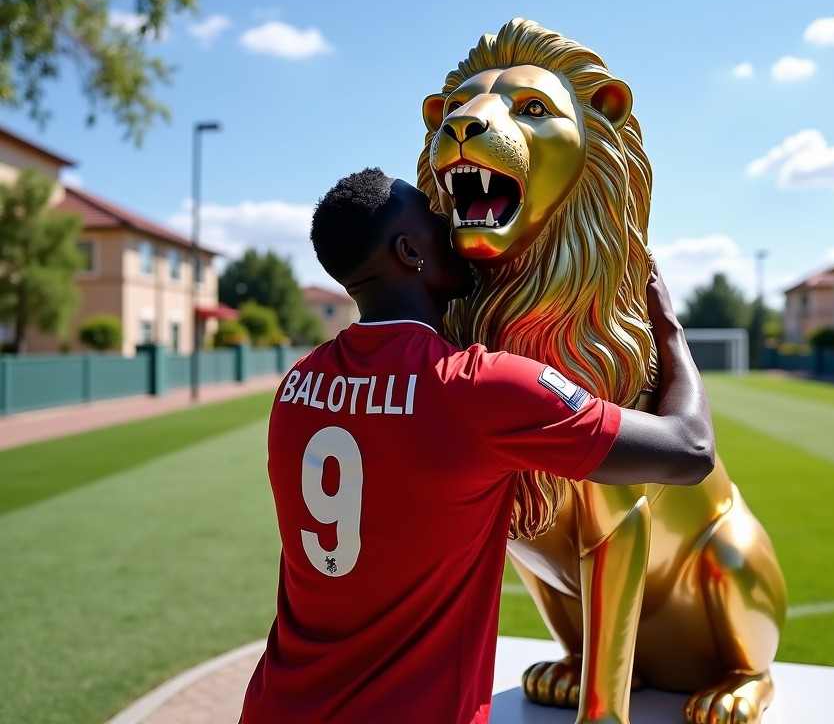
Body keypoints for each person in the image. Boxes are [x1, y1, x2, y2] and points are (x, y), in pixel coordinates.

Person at [238, 168, 715, 724]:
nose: (450, 223)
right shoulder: (476, 388)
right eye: (433, 218)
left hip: (279, 705)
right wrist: (671, 329)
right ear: (410, 251)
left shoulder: (296, 387)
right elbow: (691, 449)